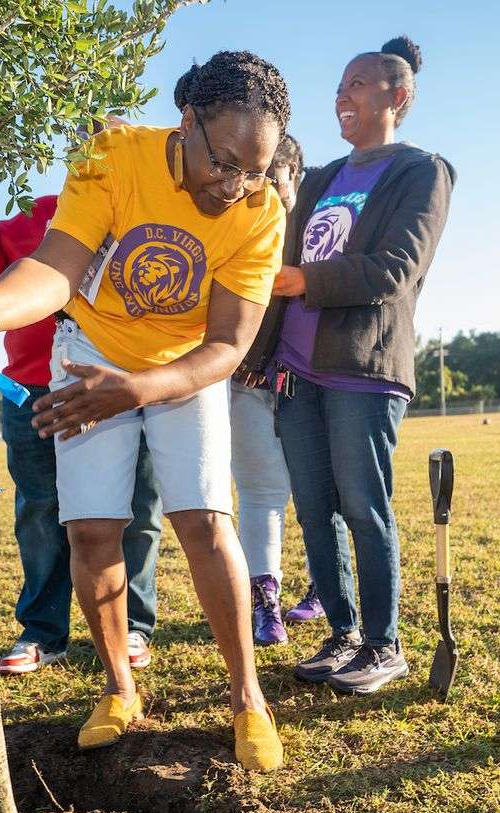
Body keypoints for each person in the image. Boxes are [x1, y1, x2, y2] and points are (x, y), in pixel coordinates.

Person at [0, 51, 291, 771]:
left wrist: (143, 387)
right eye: (224, 162)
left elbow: (228, 345)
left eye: (254, 169)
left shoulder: (258, 211)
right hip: (91, 350)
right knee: (92, 531)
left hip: (185, 365)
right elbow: (56, 270)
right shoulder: (115, 156)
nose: (235, 184)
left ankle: (249, 698)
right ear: (186, 121)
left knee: (204, 522)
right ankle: (120, 687)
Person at [242, 36, 454, 695]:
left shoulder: (421, 171)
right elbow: (281, 271)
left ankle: (385, 645)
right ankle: (344, 636)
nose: (344, 95)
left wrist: (304, 280)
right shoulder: (324, 178)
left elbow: (394, 269)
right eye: (340, 86)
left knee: (364, 506)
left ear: (399, 96)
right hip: (298, 371)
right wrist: (263, 355)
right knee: (315, 508)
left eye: (360, 84)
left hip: (363, 367)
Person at [0, 176, 162, 675]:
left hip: (118, 380)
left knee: (136, 506)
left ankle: (133, 624)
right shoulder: (32, 213)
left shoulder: (143, 207)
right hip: (31, 387)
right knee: (41, 511)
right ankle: (44, 632)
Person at [226, 133, 335, 643]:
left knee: (323, 493)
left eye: (274, 178)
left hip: (310, 383)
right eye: (256, 177)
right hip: (249, 382)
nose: (264, 188)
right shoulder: (236, 225)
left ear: (296, 178)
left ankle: (325, 586)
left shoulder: (317, 233)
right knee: (261, 493)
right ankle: (263, 600)